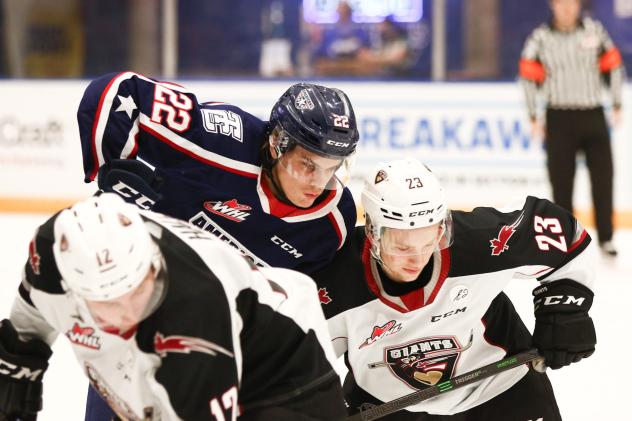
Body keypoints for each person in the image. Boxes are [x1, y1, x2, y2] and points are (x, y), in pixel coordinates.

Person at [76, 72, 359, 418]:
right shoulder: (221, 138)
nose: (318, 183)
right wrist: (112, 170)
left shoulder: (332, 223)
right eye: (307, 164)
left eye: (331, 168)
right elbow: (116, 91)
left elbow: (306, 299)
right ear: (277, 144)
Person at [0, 193, 347, 421]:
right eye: (106, 304)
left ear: (152, 263)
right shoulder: (51, 253)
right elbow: (30, 317)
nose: (126, 315)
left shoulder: (195, 313)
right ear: (74, 289)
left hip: (284, 368)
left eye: (135, 292)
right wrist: (21, 357)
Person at [312, 158, 596, 420]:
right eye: (402, 247)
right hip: (386, 405)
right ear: (374, 233)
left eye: (428, 242)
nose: (417, 259)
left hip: (499, 388)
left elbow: (566, 237)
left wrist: (564, 313)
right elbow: (289, 359)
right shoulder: (335, 283)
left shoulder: (479, 244)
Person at [519, 0, 626, 258]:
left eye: (572, 2)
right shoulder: (540, 37)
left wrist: (616, 102)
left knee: (603, 179)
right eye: (561, 3)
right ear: (552, 5)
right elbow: (528, 77)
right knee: (561, 182)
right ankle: (566, 239)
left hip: (593, 115)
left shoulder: (595, 31)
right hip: (559, 117)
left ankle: (606, 238)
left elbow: (613, 66)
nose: (567, 7)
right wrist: (533, 115)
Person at [311, 1, 371, 76]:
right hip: (333, 66)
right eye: (340, 11)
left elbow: (366, 50)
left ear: (349, 13)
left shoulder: (360, 32)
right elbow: (321, 53)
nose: (342, 13)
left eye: (344, 11)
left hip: (355, 66)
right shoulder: (330, 33)